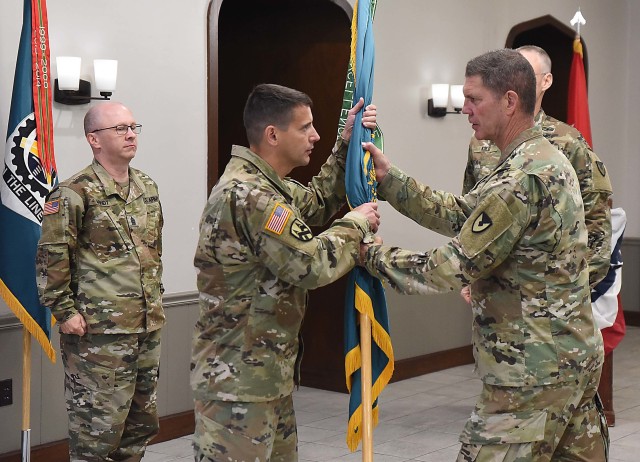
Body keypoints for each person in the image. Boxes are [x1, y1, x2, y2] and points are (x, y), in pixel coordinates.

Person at [360, 49, 607, 460]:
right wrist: (391, 181)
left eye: (474, 99)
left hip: (533, 371)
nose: (465, 109)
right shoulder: (535, 159)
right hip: (570, 359)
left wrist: (372, 256)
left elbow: (451, 266)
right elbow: (465, 214)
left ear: (509, 101)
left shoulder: (523, 176)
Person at [191, 83, 380, 461]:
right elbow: (309, 265)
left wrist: (347, 143)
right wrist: (355, 225)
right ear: (273, 135)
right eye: (305, 128)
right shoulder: (249, 194)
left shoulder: (269, 187)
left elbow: (319, 202)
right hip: (237, 383)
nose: (316, 136)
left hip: (265, 375)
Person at [36, 102, 164, 462]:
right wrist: (65, 312)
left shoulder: (146, 185)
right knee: (96, 430)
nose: (130, 134)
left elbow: (154, 252)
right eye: (119, 128)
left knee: (139, 424)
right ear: (94, 139)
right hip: (97, 332)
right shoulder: (74, 192)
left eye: (133, 126)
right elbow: (52, 256)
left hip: (145, 324)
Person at [461, 45, 612, 294]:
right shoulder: (481, 141)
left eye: (526, 73)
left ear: (546, 81)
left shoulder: (568, 142)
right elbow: (471, 211)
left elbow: (596, 220)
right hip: (493, 297)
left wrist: (571, 293)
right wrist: (470, 274)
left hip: (548, 302)